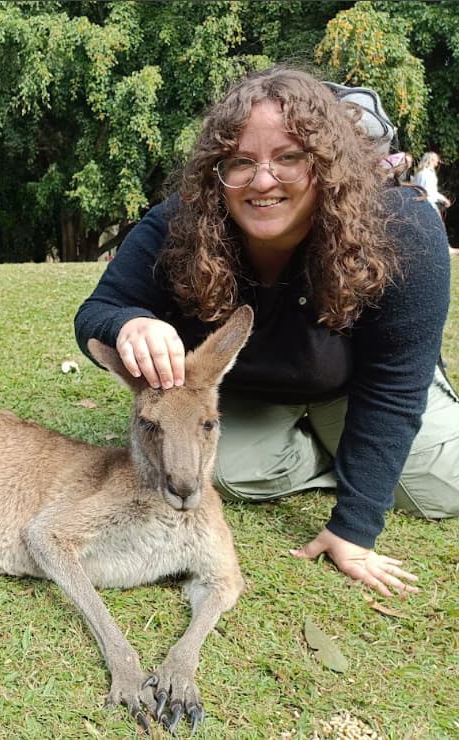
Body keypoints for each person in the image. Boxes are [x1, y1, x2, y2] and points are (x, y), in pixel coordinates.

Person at [74, 66, 459, 598]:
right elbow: (99, 311)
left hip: (357, 389)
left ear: (328, 163)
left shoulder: (403, 226)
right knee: (221, 471)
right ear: (217, 171)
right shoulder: (180, 221)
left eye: (289, 157)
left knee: (443, 489)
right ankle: (333, 456)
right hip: (255, 394)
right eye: (240, 162)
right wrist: (129, 324)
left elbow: (395, 383)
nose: (262, 181)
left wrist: (354, 527)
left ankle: (358, 449)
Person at [412, 151, 451, 219]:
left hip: (417, 204)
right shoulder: (428, 174)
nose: (438, 161)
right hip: (427, 205)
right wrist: (444, 199)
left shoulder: (420, 172)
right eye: (436, 159)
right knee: (437, 224)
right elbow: (430, 192)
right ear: (431, 160)